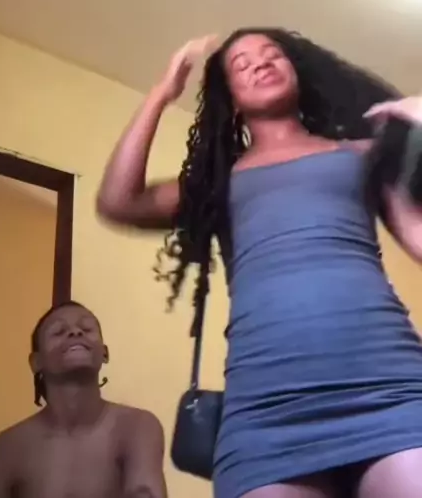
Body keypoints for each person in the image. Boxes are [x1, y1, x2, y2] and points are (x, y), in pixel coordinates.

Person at [96, 28, 422, 498]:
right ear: (230, 98)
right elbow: (118, 201)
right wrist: (161, 94)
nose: (260, 63)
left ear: (297, 72)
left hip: (391, 388)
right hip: (267, 411)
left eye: (272, 55)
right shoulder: (215, 183)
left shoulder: (359, 155)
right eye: (241, 64)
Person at [0, 301, 167, 498]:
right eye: (58, 332)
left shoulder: (137, 427)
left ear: (104, 353)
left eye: (87, 329)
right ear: (36, 362)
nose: (75, 332)